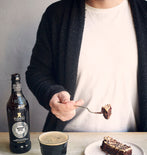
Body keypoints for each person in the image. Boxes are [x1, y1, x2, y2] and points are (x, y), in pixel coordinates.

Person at [26, 0, 147, 132]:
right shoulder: (57, 14)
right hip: (69, 141)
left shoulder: (143, 14)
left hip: (134, 144)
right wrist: (52, 93)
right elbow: (37, 72)